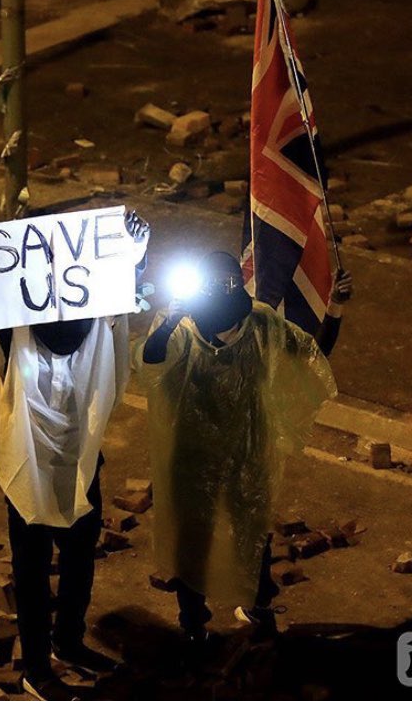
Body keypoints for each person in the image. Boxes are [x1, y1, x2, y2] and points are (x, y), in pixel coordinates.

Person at [0, 211, 149, 701]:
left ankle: (68, 642)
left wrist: (133, 256)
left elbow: (121, 303)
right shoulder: (16, 330)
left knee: (80, 557)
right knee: (32, 569)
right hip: (27, 462)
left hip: (79, 456)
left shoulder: (98, 320)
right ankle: (37, 668)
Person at [140, 251, 352, 643]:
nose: (218, 292)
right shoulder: (182, 326)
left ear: (239, 284)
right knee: (193, 540)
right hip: (192, 457)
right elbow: (151, 362)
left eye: (227, 283)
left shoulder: (261, 325)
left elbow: (311, 356)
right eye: (210, 284)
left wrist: (335, 307)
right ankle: (192, 623)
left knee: (252, 531)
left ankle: (256, 605)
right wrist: (169, 319)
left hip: (246, 454)